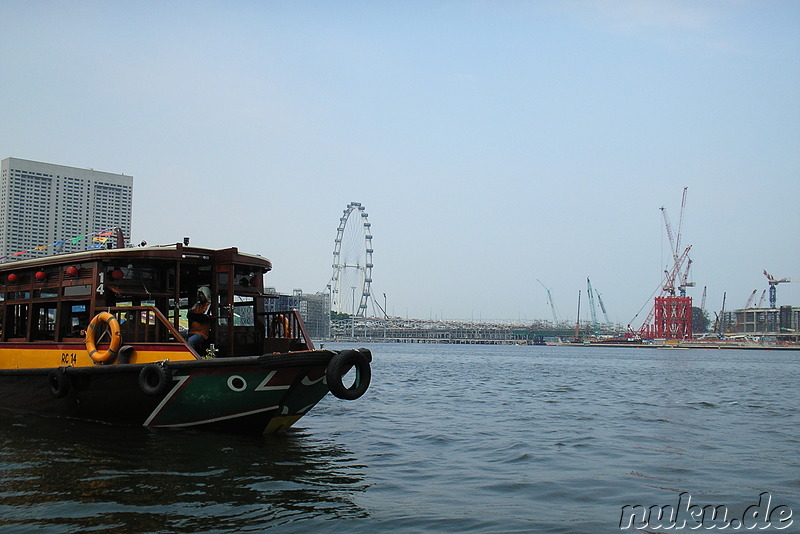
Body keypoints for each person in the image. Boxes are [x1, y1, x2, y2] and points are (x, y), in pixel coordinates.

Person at [186, 286, 212, 353]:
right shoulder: (196, 305)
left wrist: (195, 316)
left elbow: (204, 318)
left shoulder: (209, 305)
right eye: (199, 294)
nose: (200, 296)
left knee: (190, 341)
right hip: (192, 332)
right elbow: (189, 315)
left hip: (201, 333)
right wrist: (199, 317)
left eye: (202, 294)